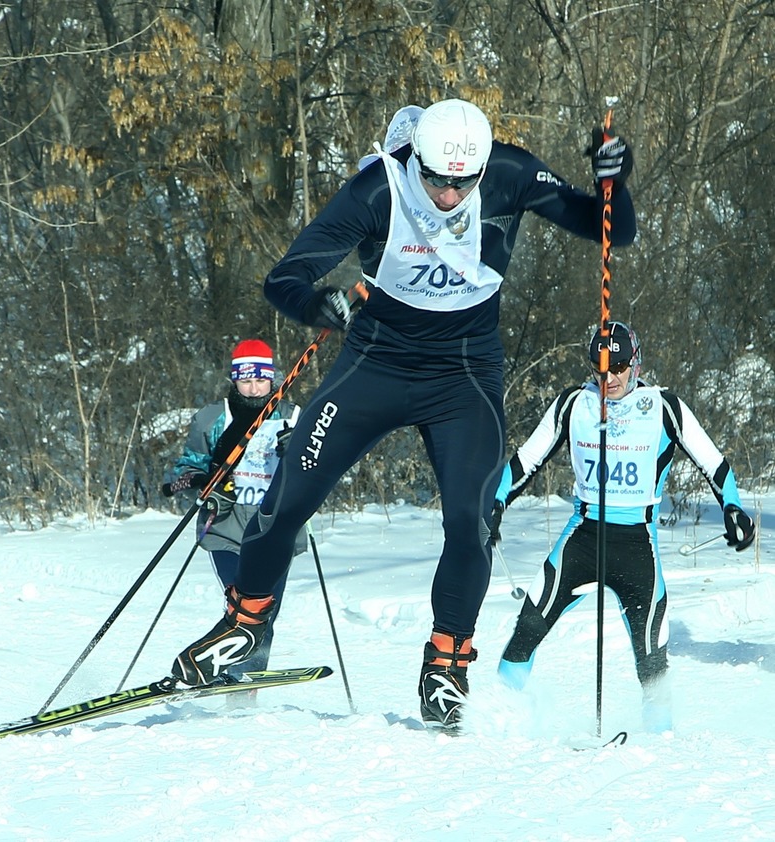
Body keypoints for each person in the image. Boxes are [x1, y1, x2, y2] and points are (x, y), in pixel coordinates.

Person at [168, 97, 638, 730]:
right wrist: (316, 304)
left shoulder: (509, 173)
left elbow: (614, 229)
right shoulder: (378, 187)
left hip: (465, 375)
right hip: (377, 364)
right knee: (288, 494)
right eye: (436, 178)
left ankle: (447, 665)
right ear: (414, 156)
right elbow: (286, 276)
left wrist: (615, 182)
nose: (448, 194)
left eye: (461, 181)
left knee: (471, 521)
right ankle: (247, 625)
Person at [492, 321, 756, 733]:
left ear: (635, 363)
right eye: (601, 369)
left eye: (618, 367)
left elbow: (715, 464)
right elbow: (525, 460)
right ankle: (495, 720)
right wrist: (496, 502)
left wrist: (734, 509)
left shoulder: (664, 406)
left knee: (652, 660)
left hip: (637, 546)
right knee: (528, 627)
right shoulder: (573, 405)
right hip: (582, 539)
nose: (609, 378)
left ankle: (659, 743)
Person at [162, 339, 305, 680]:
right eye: (246, 380)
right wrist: (207, 481)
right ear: (234, 379)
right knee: (242, 608)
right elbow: (181, 472)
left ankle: (244, 686)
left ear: (273, 378)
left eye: (261, 380)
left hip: (275, 528)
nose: (254, 388)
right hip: (224, 527)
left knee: (264, 612)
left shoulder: (296, 417)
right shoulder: (213, 418)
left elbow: (323, 471)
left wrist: (299, 453)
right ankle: (234, 674)